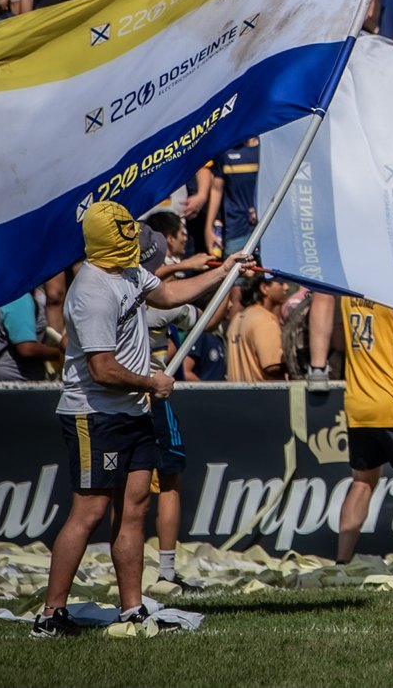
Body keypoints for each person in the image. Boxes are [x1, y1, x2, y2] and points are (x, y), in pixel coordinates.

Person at [33, 203, 241, 637]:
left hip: (133, 411)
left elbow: (166, 295)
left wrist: (225, 272)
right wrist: (152, 383)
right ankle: (50, 616)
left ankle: (132, 611)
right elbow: (102, 370)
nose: (136, 250)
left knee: (135, 509)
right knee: (89, 512)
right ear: (107, 244)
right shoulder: (91, 292)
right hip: (96, 414)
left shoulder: (127, 271)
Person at [333, 292, 393, 568]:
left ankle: (342, 560)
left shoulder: (348, 296)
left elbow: (339, 343)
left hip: (357, 400)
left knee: (362, 483)